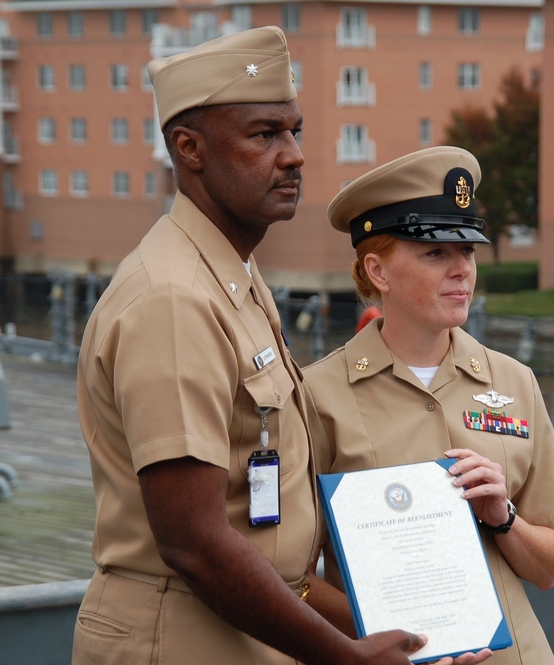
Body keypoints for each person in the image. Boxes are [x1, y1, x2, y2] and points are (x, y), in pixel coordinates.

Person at [71, 27, 464, 665]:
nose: (294, 156)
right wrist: (344, 657)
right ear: (189, 148)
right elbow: (193, 540)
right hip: (180, 639)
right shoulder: (175, 297)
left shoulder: (233, 275)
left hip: (254, 625)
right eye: (263, 135)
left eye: (294, 132)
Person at [304, 146, 554, 664]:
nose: (462, 269)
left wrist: (503, 517)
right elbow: (293, 579)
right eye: (436, 253)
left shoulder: (514, 382)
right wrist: (397, 638)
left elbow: (549, 567)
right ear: (378, 271)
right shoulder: (316, 397)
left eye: (469, 252)